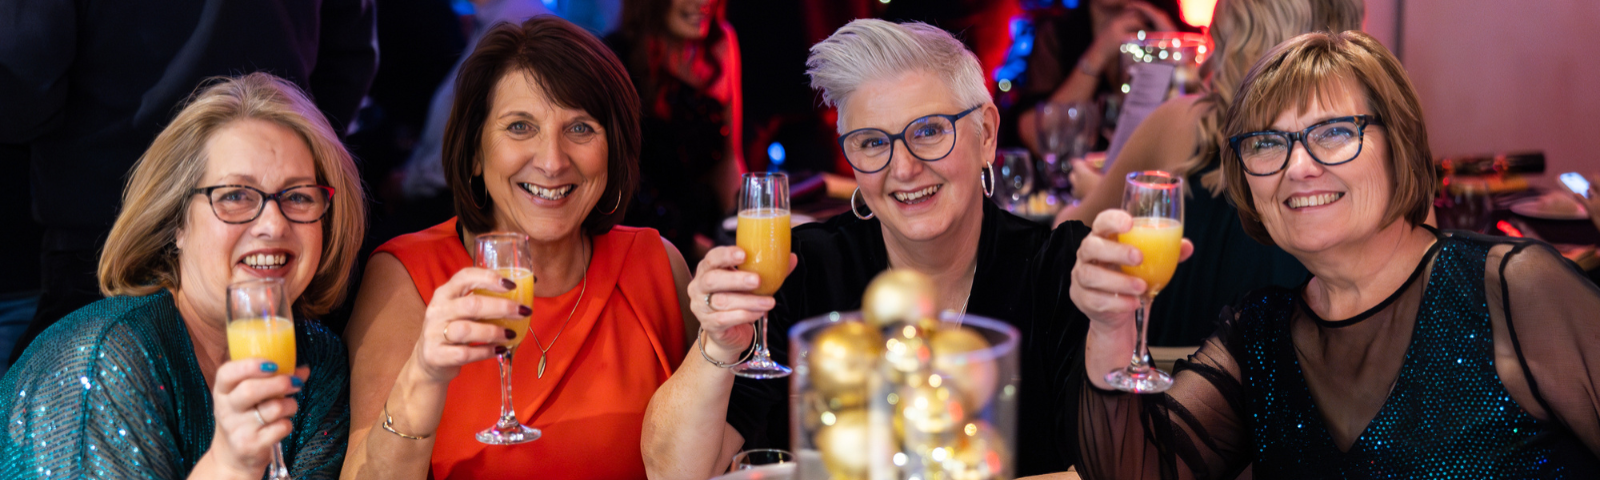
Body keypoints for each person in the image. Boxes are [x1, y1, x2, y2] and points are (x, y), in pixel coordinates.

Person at [1071, 31, 1600, 478]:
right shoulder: (1259, 335)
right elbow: (1138, 470)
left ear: (1400, 146)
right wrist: (1111, 330)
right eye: (1266, 143)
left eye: (1334, 132)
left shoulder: (1512, 292)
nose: (1298, 167)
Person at [642, 19, 1092, 478]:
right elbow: (673, 472)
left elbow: (1101, 469)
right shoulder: (802, 270)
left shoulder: (1058, 270)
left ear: (988, 134)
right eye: (873, 142)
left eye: (929, 131)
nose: (904, 168)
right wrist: (716, 344)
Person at [340, 17, 694, 480]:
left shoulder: (658, 266)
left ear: (615, 149)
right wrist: (423, 375)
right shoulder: (405, 275)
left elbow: (712, 457)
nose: (552, 160)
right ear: (473, 153)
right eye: (520, 126)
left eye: (581, 128)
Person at [0, 73, 366, 480]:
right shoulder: (103, 361)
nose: (273, 225)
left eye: (297, 196)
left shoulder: (317, 359)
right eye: (235, 196)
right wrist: (230, 465)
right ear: (177, 224)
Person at [0, 0, 376, 367]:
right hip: (138, 256)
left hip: (97, 232)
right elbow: (350, 59)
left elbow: (20, 88)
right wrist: (282, 159)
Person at [1056, 0, 1365, 346]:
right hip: (1303, 389)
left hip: (1170, 388)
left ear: (1239, 44)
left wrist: (1096, 191)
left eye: (1215, 40)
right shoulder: (1359, 153)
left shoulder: (1181, 123)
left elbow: (1064, 237)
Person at [607, 0, 745, 265]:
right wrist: (697, 247)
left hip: (710, 231)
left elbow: (728, 160)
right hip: (645, 241)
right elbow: (622, 186)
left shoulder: (721, 42)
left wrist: (741, 229)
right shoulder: (616, 55)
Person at [1013, 0, 1180, 154]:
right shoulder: (1059, 32)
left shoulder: (1168, 26)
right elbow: (1035, 137)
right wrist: (1098, 55)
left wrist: (1178, 50)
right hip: (1080, 179)